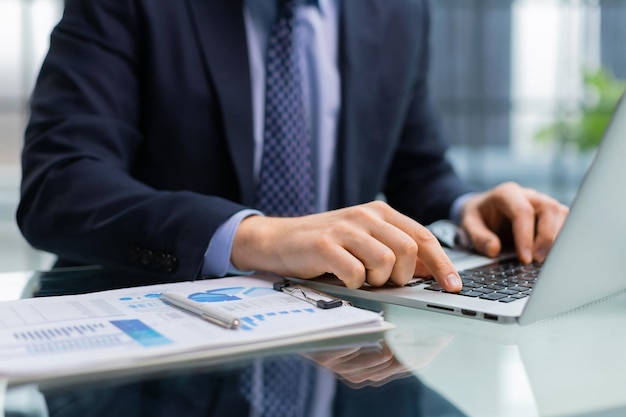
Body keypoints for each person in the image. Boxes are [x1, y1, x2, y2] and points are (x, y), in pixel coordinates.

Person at [17, 0, 568, 293]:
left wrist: (466, 209)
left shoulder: (399, 11)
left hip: (340, 344)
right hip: (148, 354)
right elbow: (60, 186)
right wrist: (260, 235)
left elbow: (416, 171)